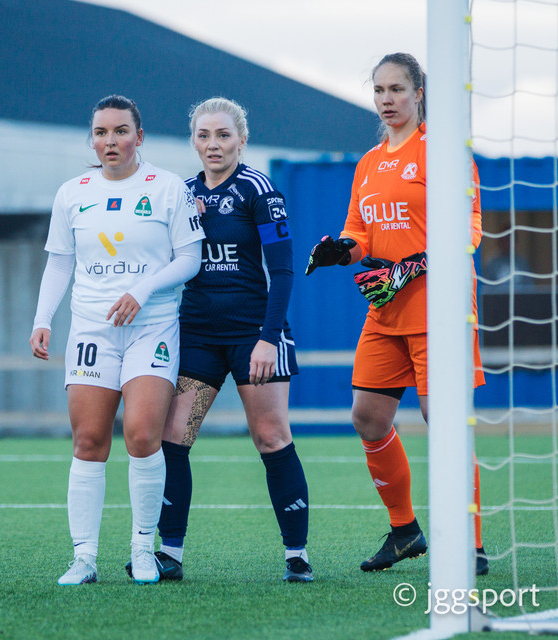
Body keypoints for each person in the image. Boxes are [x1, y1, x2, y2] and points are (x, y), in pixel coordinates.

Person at [305, 53, 489, 577]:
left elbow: (471, 228)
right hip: (386, 312)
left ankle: (471, 543)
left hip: (440, 312)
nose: (386, 100)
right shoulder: (367, 163)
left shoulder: (444, 152)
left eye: (397, 89)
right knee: (367, 416)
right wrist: (341, 250)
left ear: (418, 93)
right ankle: (405, 530)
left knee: (443, 422)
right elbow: (360, 233)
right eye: (379, 90)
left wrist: (413, 267)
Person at [127, 97, 312, 583]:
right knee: (173, 437)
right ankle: (169, 553)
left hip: (254, 335)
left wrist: (268, 339)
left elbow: (284, 272)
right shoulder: (181, 194)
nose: (214, 144)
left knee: (270, 436)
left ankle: (296, 554)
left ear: (241, 141)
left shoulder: (259, 190)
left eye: (223, 135)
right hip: (197, 336)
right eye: (204, 135)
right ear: (193, 141)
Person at [29, 95, 205, 585]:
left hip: (152, 327)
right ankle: (84, 557)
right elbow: (60, 262)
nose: (111, 141)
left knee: (143, 436)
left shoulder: (168, 188)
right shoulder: (72, 193)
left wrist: (141, 291)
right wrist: (43, 319)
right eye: (101, 132)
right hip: (91, 329)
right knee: (88, 441)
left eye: (121, 131)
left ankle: (143, 549)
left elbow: (190, 259)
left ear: (139, 137)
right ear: (92, 140)